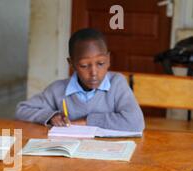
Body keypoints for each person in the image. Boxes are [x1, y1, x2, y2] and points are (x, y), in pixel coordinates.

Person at [16, 28, 145, 132]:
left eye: (100, 63)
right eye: (84, 65)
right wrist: (50, 117)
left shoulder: (117, 83)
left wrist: (87, 121)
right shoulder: (58, 90)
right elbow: (22, 110)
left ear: (108, 59)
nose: (94, 73)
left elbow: (136, 122)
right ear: (71, 64)